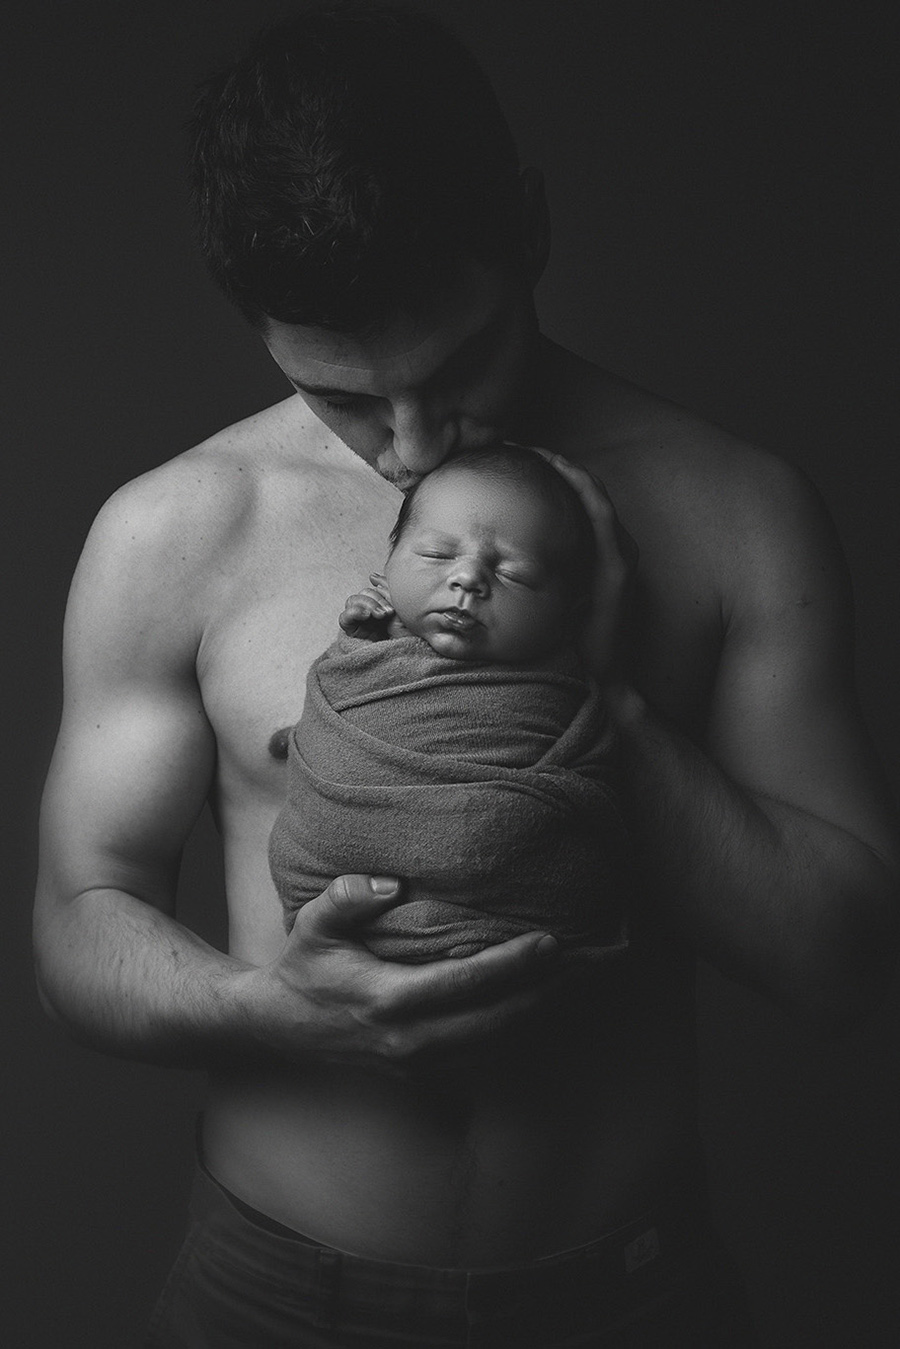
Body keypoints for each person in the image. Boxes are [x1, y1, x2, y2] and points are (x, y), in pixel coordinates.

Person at [32, 4, 898, 1345]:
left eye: (458, 363)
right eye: (346, 399)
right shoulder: (178, 531)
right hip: (273, 1301)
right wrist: (273, 1010)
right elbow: (78, 918)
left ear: (533, 229)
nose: (409, 443)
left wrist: (590, 720)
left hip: (633, 1299)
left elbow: (843, 961)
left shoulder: (736, 513)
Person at [269, 441, 632, 967]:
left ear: (568, 613)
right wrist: (363, 639)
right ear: (386, 565)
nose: (467, 579)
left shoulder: (556, 685)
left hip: (508, 935)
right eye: (437, 555)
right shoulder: (367, 649)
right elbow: (337, 703)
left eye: (514, 573)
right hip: (332, 932)